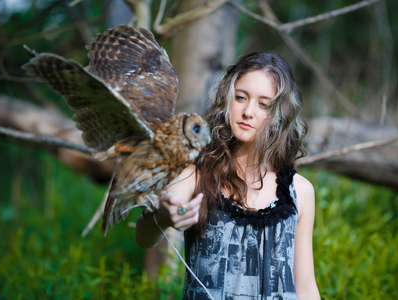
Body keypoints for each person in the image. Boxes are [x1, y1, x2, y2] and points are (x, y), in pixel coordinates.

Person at [135, 51, 320, 300]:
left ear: (281, 114)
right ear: (227, 99)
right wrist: (162, 215)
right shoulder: (194, 177)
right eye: (241, 98)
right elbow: (144, 237)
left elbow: (306, 287)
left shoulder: (300, 191)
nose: (248, 112)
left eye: (263, 104)